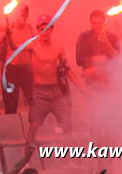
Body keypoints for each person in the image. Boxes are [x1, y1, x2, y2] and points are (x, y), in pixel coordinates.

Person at [26, 15, 82, 147]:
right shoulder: (32, 45)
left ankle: (69, 161)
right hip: (39, 92)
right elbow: (15, 48)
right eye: (42, 29)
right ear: (38, 30)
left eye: (47, 29)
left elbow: (66, 69)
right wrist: (9, 33)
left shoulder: (58, 48)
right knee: (34, 125)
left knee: (67, 124)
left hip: (56, 92)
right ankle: (25, 163)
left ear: (51, 30)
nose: (45, 32)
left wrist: (80, 85)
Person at [0, 4, 35, 114]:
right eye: (20, 12)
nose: (23, 14)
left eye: (25, 12)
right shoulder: (10, 28)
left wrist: (26, 47)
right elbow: (14, 47)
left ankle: (36, 127)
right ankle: (11, 128)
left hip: (26, 69)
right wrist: (9, 35)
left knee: (33, 100)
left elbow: (33, 46)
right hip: (11, 70)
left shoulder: (30, 28)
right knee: (11, 103)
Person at [75, 10, 120, 87]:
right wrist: (92, 59)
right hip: (91, 80)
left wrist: (106, 58)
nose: (97, 26)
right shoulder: (83, 37)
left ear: (104, 22)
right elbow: (79, 60)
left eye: (99, 23)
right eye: (94, 23)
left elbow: (119, 58)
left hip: (109, 79)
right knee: (93, 98)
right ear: (90, 22)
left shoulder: (113, 37)